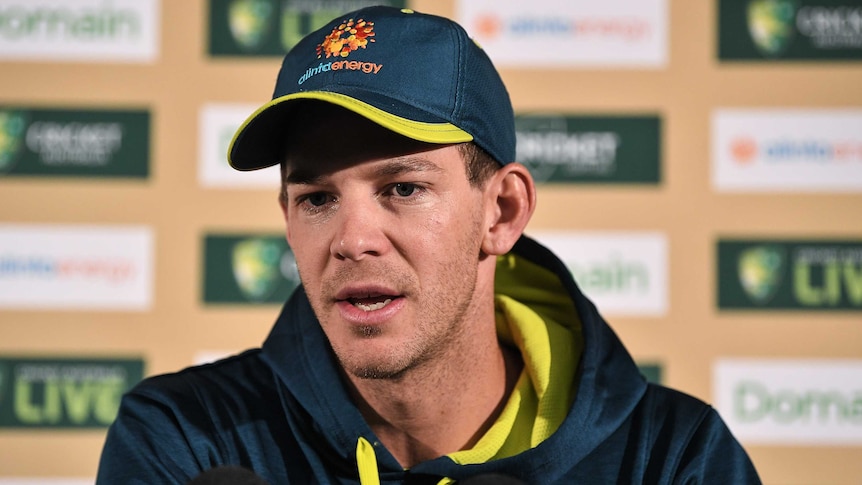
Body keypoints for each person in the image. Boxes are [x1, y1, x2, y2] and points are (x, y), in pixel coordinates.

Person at [96, 6, 760, 484]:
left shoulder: (673, 459)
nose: (352, 239)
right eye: (317, 198)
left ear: (502, 210)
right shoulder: (185, 440)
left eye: (403, 189)